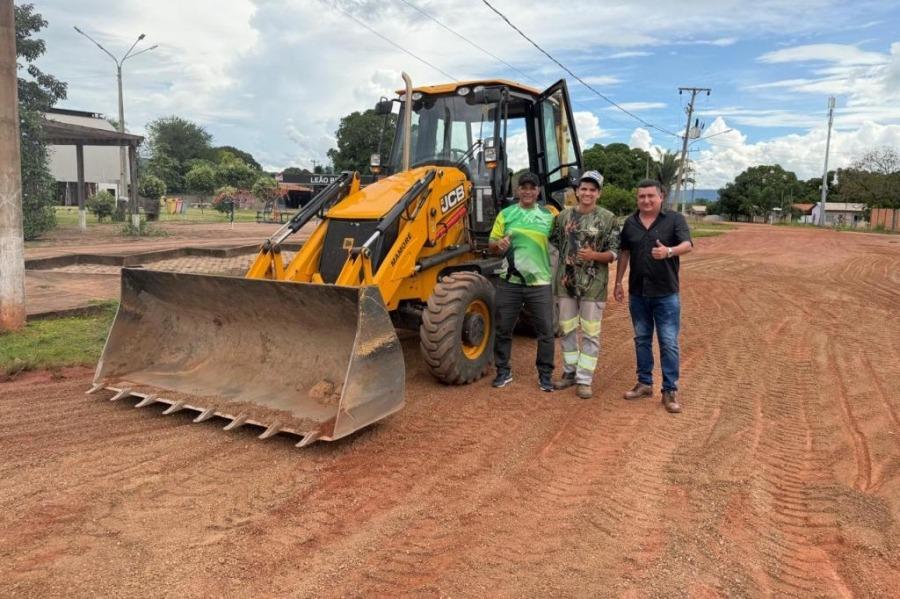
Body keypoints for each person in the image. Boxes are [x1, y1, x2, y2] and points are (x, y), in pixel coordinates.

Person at [614, 179, 692, 413]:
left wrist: (669, 251)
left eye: (651, 196)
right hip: (638, 293)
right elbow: (624, 253)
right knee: (641, 339)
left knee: (668, 342)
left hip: (666, 293)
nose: (646, 200)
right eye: (642, 196)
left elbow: (687, 245)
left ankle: (669, 390)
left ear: (661, 196)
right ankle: (644, 383)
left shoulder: (674, 220)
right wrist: (618, 282)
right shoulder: (630, 223)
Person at [550, 170, 620, 399]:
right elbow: (555, 241)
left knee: (590, 333)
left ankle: (585, 379)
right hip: (566, 284)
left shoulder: (608, 218)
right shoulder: (563, 217)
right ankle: (570, 372)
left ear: (598, 193)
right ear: (577, 191)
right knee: (567, 329)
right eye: (584, 189)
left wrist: (593, 256)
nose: (587, 193)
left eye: (592, 189)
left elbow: (614, 253)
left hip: (594, 285)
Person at [489, 171, 556, 392]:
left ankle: (545, 375)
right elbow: (492, 244)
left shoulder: (548, 216)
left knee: (546, 332)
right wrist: (499, 246)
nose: (527, 191)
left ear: (538, 191)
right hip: (510, 282)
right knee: (503, 329)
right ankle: (503, 371)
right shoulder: (506, 214)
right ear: (518, 190)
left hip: (540, 282)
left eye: (532, 187)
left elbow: (561, 242)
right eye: (523, 187)